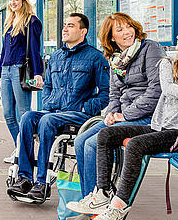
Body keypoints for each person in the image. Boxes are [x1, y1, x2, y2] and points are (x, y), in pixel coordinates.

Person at [71, 26, 178, 220]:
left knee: (135, 145)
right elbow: (175, 89)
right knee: (105, 134)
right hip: (159, 127)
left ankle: (118, 206)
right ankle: (102, 193)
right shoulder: (172, 64)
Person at [62, 12, 165, 220]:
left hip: (147, 117)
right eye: (119, 30)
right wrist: (111, 113)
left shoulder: (150, 48)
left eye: (128, 26)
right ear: (111, 38)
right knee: (81, 141)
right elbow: (114, 95)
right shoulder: (117, 58)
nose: (126, 32)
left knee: (93, 142)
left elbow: (156, 91)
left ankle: (98, 204)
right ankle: (91, 203)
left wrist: (124, 115)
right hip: (124, 116)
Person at [6, 13, 110, 202]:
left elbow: (106, 92)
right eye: (64, 25)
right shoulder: (56, 56)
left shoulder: (95, 58)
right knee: (28, 117)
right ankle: (24, 178)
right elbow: (47, 86)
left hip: (78, 114)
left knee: (46, 120)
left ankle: (42, 182)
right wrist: (47, 103)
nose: (65, 29)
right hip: (54, 110)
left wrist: (86, 107)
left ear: (83, 31)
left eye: (70, 25)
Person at [0, 0, 44, 164]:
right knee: (8, 113)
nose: (12, 3)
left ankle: (25, 153)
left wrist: (38, 73)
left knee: (24, 114)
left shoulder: (32, 21)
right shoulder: (10, 21)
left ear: (24, 1)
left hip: (19, 70)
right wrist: (0, 74)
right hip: (7, 70)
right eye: (10, 0)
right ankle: (21, 148)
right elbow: (3, 51)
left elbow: (34, 49)